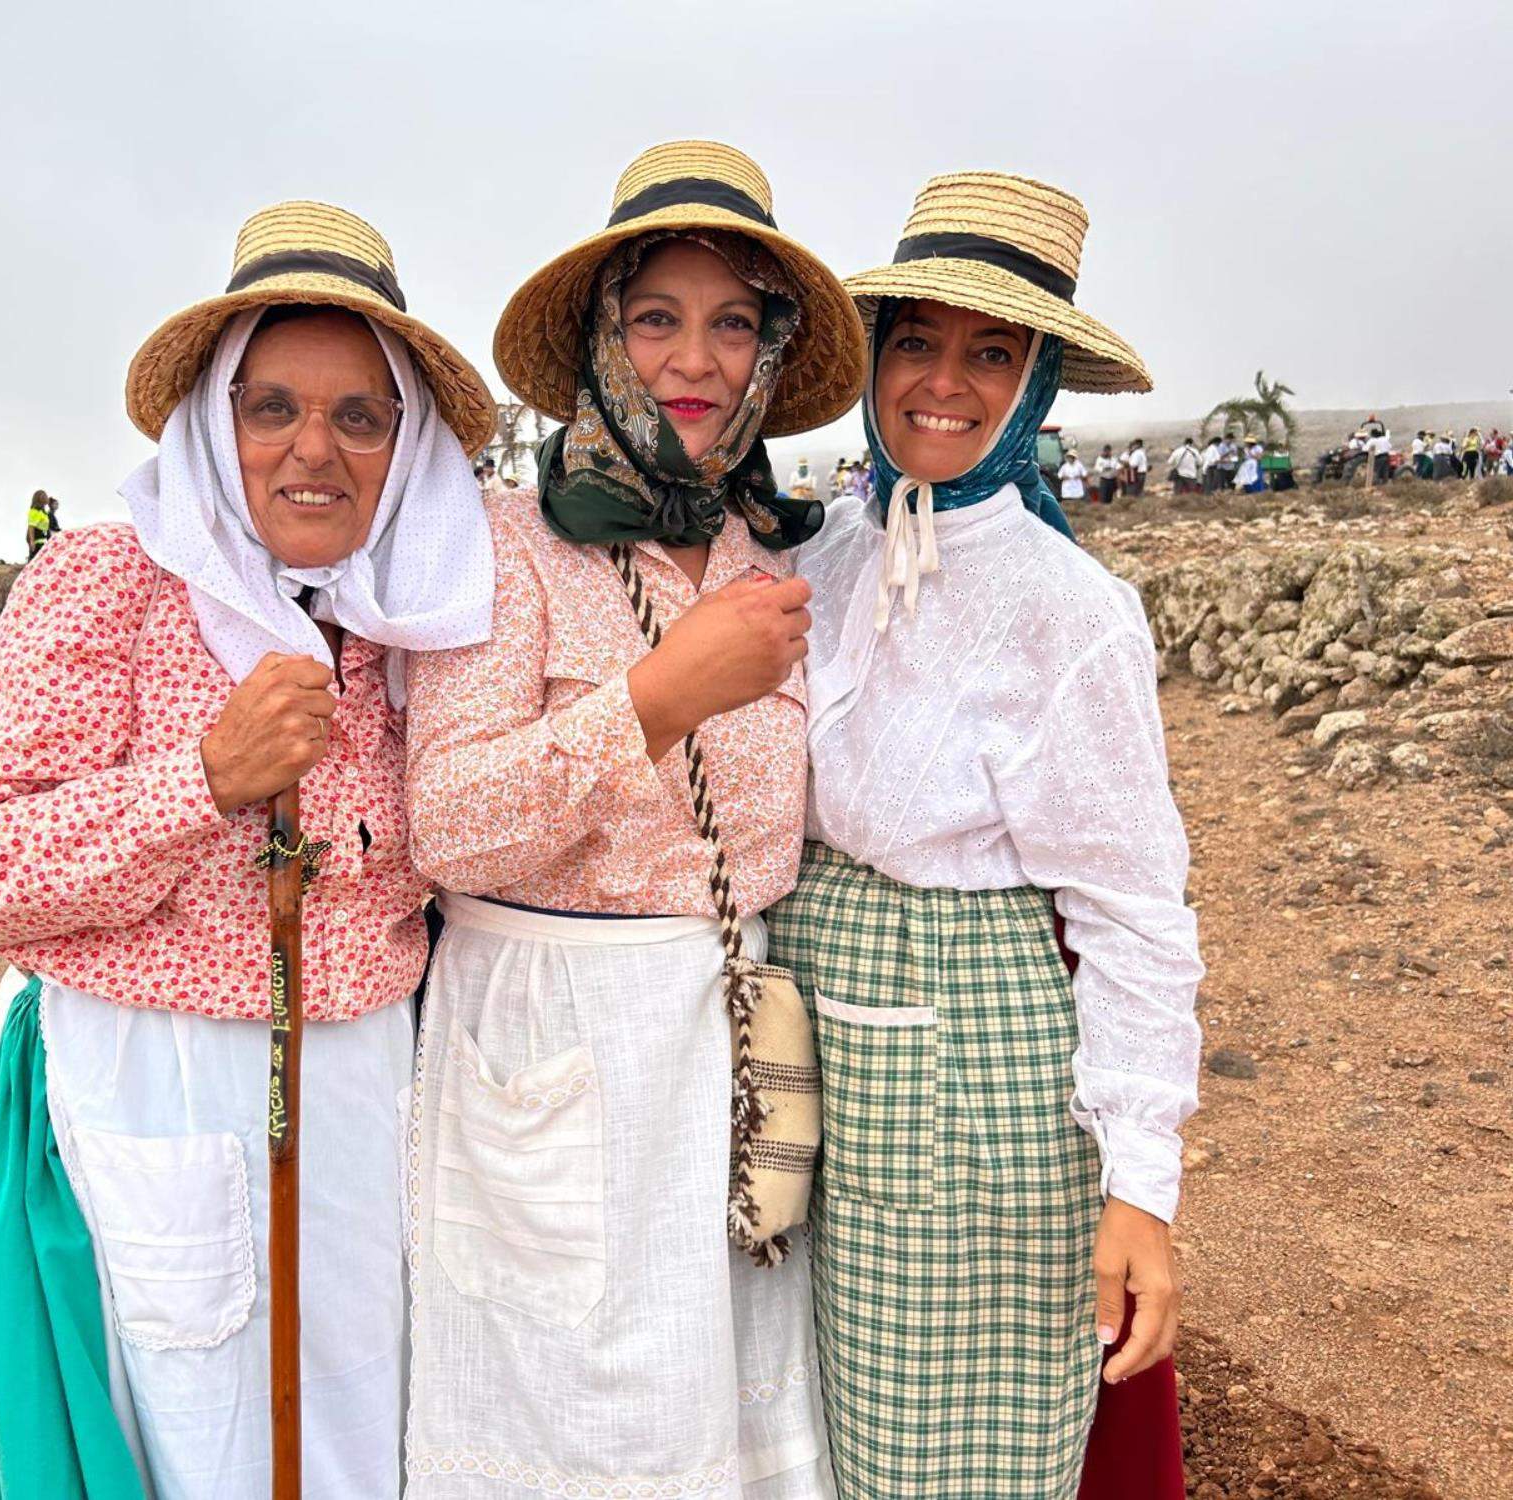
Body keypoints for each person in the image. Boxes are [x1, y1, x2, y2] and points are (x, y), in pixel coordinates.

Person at [0, 201, 499, 1499]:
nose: (313, 450)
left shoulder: (426, 611)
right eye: (272, 407)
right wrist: (204, 781)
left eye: (360, 417)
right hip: (161, 1094)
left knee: (371, 1443)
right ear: (214, 424)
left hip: (375, 1105)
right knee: (204, 1447)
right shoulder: (113, 583)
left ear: (406, 444)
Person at [401, 139, 864, 1498]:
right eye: (655, 318)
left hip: (720, 1048)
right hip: (552, 1035)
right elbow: (448, 825)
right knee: (577, 1429)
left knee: (722, 1419)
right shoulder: (504, 540)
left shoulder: (762, 550)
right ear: (603, 339)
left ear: (772, 355)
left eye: (733, 324)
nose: (696, 360)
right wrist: (659, 697)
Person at [787, 169, 1201, 1500]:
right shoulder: (826, 552)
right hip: (820, 1039)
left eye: (991, 352)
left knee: (940, 1458)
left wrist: (1140, 1183)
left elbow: (1133, 904)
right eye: (916, 340)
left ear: (1035, 386)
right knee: (811, 1432)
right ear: (872, 359)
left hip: (966, 1075)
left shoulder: (1066, 608)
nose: (944, 383)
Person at [24, 489, 53, 561]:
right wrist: (32, 541)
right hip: (37, 542)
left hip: (44, 541)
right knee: (34, 562)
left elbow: (46, 528)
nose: (47, 497)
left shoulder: (43, 512)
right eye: (44, 496)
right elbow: (31, 527)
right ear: (39, 498)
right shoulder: (34, 511)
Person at [1367, 421, 1393, 486]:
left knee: (1376, 471)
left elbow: (1366, 448)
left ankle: (1376, 484)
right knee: (1385, 471)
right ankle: (1385, 484)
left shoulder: (1372, 441)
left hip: (1378, 457)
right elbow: (1390, 447)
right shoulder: (1385, 439)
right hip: (1386, 456)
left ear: (1372, 435)